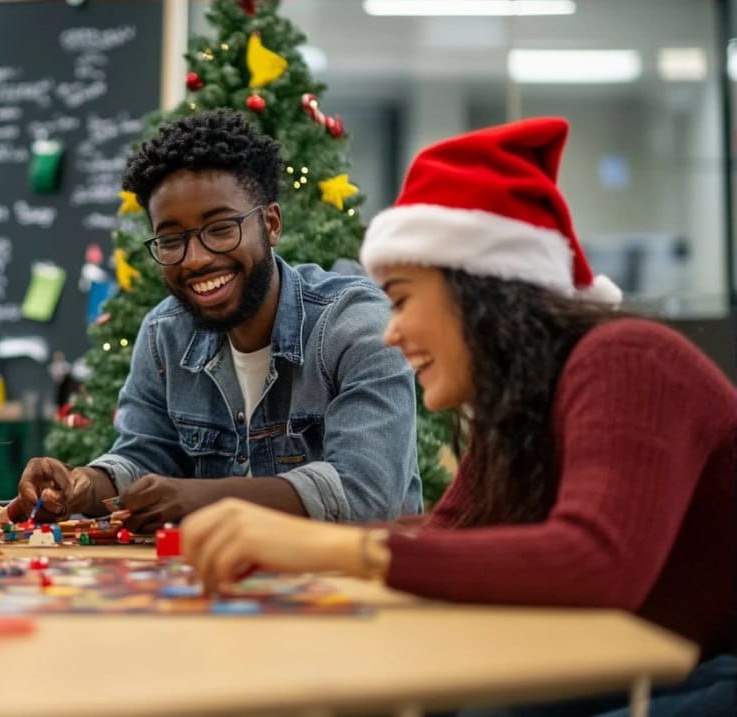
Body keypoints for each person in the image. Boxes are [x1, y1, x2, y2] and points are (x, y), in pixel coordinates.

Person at [182, 117, 735, 714]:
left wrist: (329, 549)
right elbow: (452, 537)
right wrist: (288, 547)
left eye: (400, 298)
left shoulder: (626, 358)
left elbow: (596, 563)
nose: (391, 333)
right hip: (627, 662)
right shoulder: (520, 400)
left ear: (479, 291)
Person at [8, 109, 422, 532]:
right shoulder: (164, 334)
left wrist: (198, 498)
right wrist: (84, 485)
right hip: (213, 586)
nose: (196, 258)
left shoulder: (354, 325)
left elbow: (367, 495)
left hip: (351, 586)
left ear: (271, 223)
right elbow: (146, 456)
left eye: (221, 228)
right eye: (171, 240)